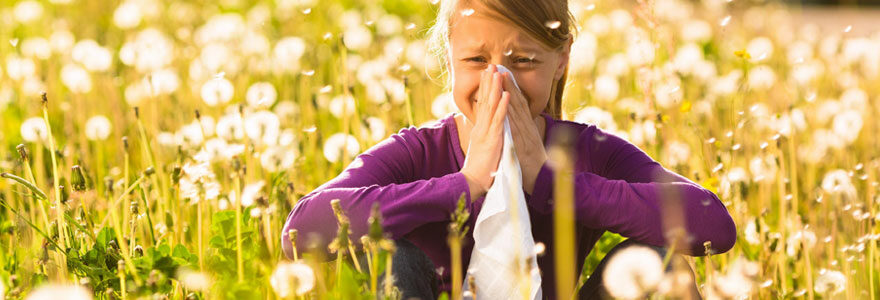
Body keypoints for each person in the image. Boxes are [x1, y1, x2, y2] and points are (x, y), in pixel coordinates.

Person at [281, 0, 737, 298]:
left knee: (663, 265)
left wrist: (550, 181)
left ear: (561, 61)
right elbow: (301, 232)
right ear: (449, 59)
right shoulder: (418, 151)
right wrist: (465, 184)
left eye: (524, 61)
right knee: (392, 256)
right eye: (477, 60)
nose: (499, 81)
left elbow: (712, 224)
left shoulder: (587, 150)